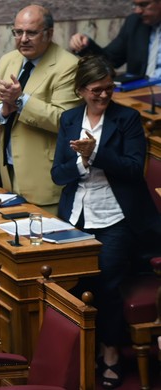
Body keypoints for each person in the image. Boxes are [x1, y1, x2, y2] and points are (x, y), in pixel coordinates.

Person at [51, 55, 161, 389]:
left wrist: (94, 153)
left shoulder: (127, 118)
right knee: (78, 284)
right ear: (81, 89)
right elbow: (58, 174)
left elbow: (132, 168)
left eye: (109, 88)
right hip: (76, 215)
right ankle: (85, 350)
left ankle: (111, 352)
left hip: (117, 215)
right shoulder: (69, 119)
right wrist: (83, 164)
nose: (104, 95)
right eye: (97, 89)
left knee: (108, 283)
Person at [0, 4, 82, 214]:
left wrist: (20, 101)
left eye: (31, 33)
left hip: (43, 179)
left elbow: (65, 120)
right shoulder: (9, 60)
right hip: (7, 177)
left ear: (49, 34)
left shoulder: (68, 66)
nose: (23, 39)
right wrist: (3, 111)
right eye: (18, 32)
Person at [69, 0, 161, 78]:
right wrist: (86, 45)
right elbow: (111, 59)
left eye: (144, 5)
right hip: (139, 91)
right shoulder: (134, 22)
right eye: (135, 5)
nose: (137, 11)